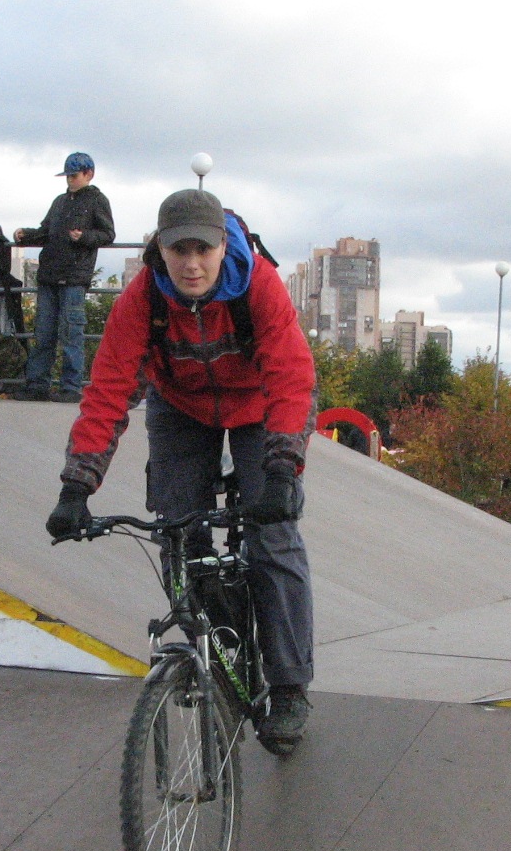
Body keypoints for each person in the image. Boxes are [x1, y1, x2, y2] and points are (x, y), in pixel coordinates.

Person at [45, 188, 317, 753]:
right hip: (181, 406)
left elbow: (291, 378)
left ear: (221, 247)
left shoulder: (259, 285)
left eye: (203, 250)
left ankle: (289, 685)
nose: (192, 264)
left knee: (274, 538)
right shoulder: (143, 298)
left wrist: (283, 471)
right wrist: (76, 487)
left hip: (259, 407)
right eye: (178, 251)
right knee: (175, 527)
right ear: (159, 250)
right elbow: (109, 390)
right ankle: (217, 637)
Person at [13, 152, 116, 403]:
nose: (70, 180)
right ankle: (38, 384)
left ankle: (70, 387)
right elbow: (47, 231)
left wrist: (84, 237)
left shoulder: (97, 200)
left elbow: (108, 234)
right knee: (44, 333)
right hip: (51, 275)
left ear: (88, 174)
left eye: (74, 175)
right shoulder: (60, 201)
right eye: (68, 176)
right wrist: (26, 235)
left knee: (71, 334)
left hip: (74, 277)